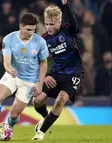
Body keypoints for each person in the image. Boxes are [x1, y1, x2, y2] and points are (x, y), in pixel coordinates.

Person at [0, 13, 49, 136]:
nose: (31, 33)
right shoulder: (9, 39)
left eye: (33, 30)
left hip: (30, 82)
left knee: (14, 114)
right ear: (21, 26)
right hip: (13, 75)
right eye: (28, 29)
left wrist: (40, 84)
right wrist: (9, 69)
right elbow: (6, 60)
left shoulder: (40, 41)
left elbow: (43, 63)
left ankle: (7, 129)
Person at [32, 0, 83, 141]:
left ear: (59, 21)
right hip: (55, 73)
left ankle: (41, 132)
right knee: (37, 101)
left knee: (61, 99)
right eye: (47, 24)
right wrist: (46, 75)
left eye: (52, 24)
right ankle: (45, 118)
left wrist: (66, 6)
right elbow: (38, 61)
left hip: (73, 73)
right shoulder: (44, 40)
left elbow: (75, 24)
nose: (48, 27)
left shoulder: (68, 30)